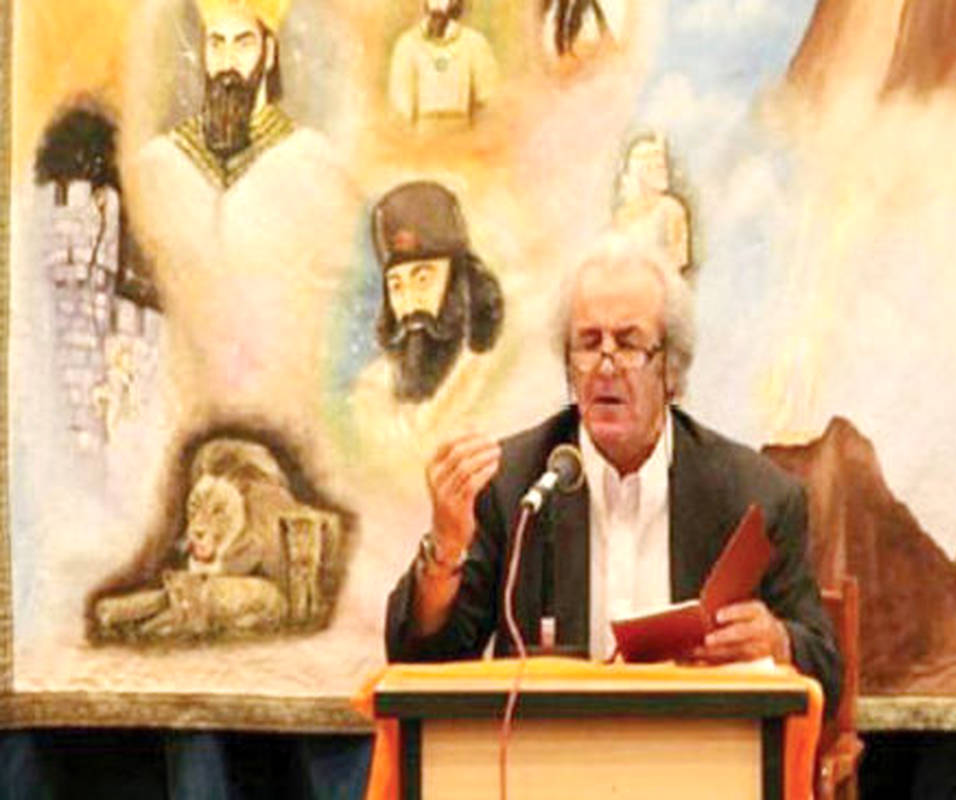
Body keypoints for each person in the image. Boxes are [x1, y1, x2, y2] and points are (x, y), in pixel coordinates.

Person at [384, 237, 841, 707]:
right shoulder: (513, 488)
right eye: (588, 344)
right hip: (547, 744)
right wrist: (446, 549)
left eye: (628, 344)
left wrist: (779, 642)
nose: (605, 366)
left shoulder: (756, 496)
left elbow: (826, 668)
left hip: (696, 742)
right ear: (568, 366)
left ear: (672, 369)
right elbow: (420, 661)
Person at [126, 0, 359, 428]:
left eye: (243, 43)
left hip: (282, 412)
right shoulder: (158, 166)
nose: (228, 63)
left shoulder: (315, 166)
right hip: (179, 412)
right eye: (216, 44)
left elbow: (338, 313)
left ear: (269, 54)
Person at [349, 181, 505, 456]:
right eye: (397, 286)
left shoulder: (496, 372)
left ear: (457, 281)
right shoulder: (373, 390)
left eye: (423, 280)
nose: (410, 304)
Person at [387, 0, 499, 130]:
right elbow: (401, 101)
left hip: (463, 133)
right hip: (423, 135)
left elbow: (488, 98)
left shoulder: (474, 43)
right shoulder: (407, 44)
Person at [613, 132, 691, 275]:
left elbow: (679, 258)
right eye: (654, 168)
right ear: (640, 172)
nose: (662, 173)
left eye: (662, 167)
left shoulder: (671, 209)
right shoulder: (624, 215)